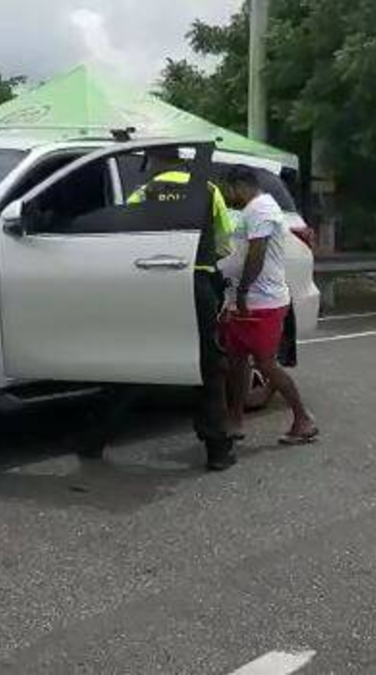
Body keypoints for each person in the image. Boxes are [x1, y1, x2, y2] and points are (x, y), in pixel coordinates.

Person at [79, 146, 238, 471]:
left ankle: (95, 440)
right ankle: (218, 451)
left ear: (153, 161)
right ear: (179, 158)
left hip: (152, 287)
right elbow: (225, 244)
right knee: (208, 368)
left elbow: (123, 239)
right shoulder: (209, 191)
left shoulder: (145, 192)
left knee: (135, 362)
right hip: (197, 284)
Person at [220, 166, 319, 445]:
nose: (227, 196)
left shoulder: (261, 209)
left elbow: (257, 253)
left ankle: (303, 419)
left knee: (266, 364)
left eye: (228, 190)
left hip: (262, 302)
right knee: (237, 361)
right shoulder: (252, 210)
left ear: (239, 185)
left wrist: (243, 290)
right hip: (245, 301)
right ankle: (235, 420)